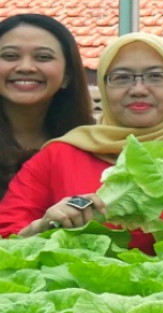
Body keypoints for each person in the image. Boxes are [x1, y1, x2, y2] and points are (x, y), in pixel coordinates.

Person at [0, 32, 163, 252]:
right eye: (121, 77)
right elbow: (7, 241)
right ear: (103, 86)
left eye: (156, 76)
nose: (138, 89)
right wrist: (43, 226)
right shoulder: (58, 157)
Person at [0, 14, 94, 199]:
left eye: (43, 57)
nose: (26, 67)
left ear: (67, 75)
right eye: (10, 56)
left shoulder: (93, 144)